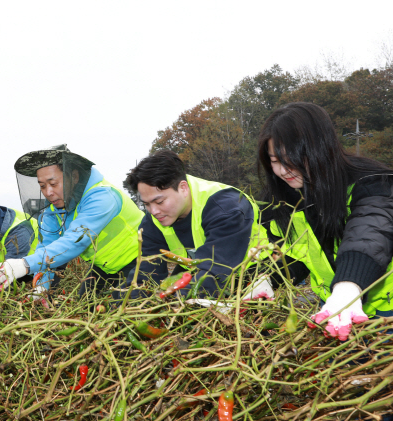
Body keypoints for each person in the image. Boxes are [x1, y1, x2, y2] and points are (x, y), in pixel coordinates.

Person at [258, 102, 393, 342]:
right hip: (334, 306)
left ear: (321, 148)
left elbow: (370, 234)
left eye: (293, 158)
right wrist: (267, 281)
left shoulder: (372, 183)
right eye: (275, 160)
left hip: (385, 310)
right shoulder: (285, 202)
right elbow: (301, 256)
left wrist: (347, 288)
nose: (283, 170)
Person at [0, 144, 144, 299]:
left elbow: (74, 241)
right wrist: (41, 287)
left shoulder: (102, 197)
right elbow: (47, 246)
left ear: (74, 177)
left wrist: (24, 265)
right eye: (42, 186)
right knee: (86, 303)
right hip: (105, 266)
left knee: (122, 308)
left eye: (53, 184)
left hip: (140, 260)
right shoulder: (54, 209)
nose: (48, 192)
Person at [124, 150, 270, 299]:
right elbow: (146, 271)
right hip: (200, 273)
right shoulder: (154, 219)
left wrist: (172, 304)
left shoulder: (225, 207)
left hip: (255, 273)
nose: (153, 211)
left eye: (159, 201)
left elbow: (214, 272)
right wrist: (130, 302)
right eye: (147, 204)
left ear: (183, 188)